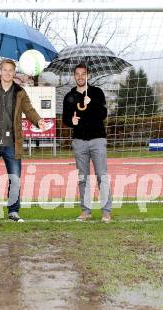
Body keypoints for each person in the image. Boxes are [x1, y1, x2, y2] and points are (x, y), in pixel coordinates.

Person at [0, 59, 46, 222]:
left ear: (14, 73)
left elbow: (29, 110)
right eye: (5, 70)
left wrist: (38, 121)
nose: (7, 73)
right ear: (1, 71)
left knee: (15, 180)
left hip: (12, 144)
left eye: (11, 70)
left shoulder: (20, 92)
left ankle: (13, 211)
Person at [62, 63, 112, 223]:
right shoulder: (69, 97)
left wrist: (92, 103)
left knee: (101, 175)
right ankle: (86, 211)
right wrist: (72, 121)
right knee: (83, 177)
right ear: (74, 76)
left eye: (83, 74)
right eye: (77, 74)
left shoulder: (97, 92)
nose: (80, 77)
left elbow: (104, 114)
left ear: (87, 75)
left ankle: (106, 212)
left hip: (97, 139)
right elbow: (64, 118)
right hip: (79, 141)